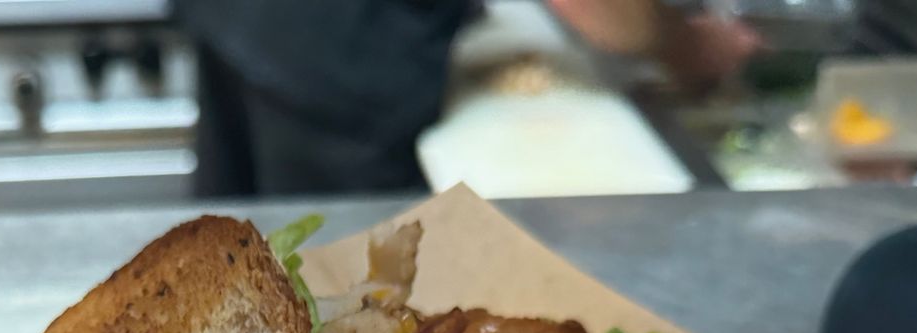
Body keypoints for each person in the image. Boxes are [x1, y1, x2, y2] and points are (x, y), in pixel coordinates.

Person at [175, 0, 759, 197]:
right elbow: (611, 18)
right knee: (336, 302)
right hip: (333, 55)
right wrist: (686, 45)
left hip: (236, 20)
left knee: (240, 250)